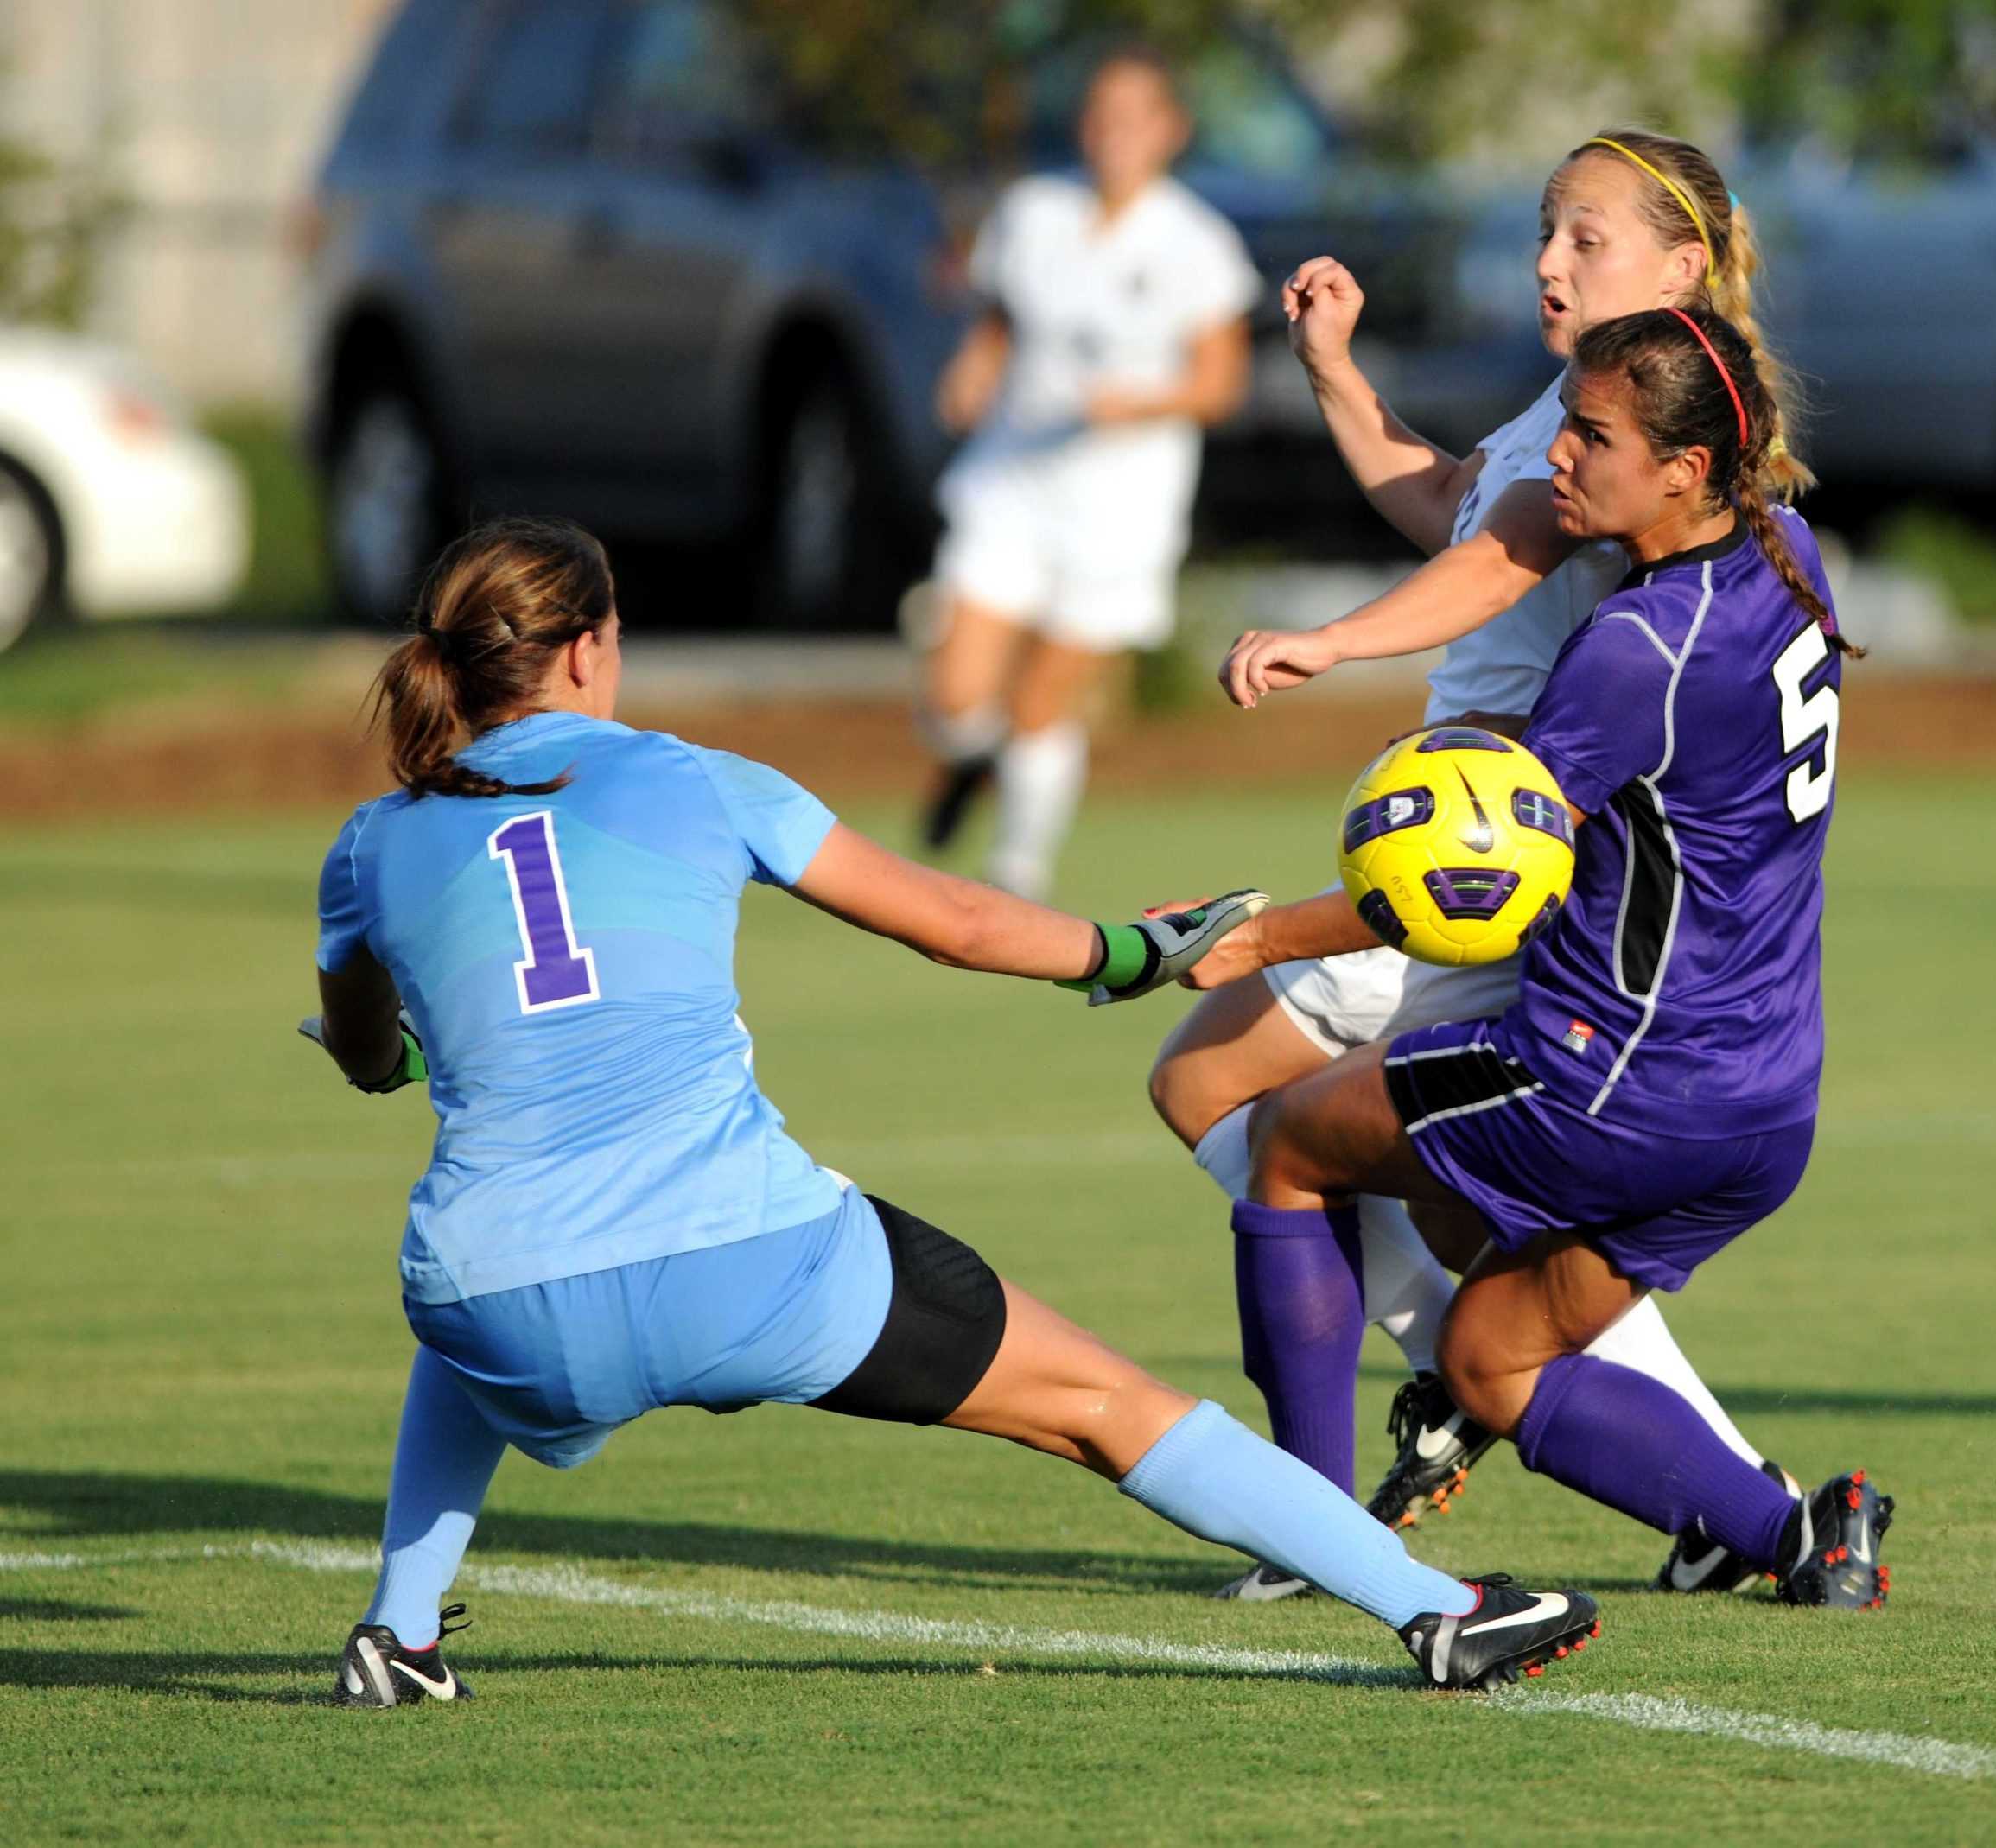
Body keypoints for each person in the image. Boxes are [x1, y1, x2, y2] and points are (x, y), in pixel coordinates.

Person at [302, 515, 1600, 1708]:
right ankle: (1442, 1610)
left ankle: (398, 1633)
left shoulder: (368, 842)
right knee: (1106, 1402)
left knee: (485, 1280)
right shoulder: (697, 778)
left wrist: (402, 1058)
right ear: (588, 647)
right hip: (748, 1264)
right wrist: (1135, 952)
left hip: (495, 1293)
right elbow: (963, 922)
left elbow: (369, 1053)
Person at [1147, 130, 1811, 1598]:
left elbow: (1495, 558)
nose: (1548, 262)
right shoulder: (1591, 416)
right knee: (1462, 1223)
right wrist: (1337, 375)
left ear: (1682, 268)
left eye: (1586, 238)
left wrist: (1330, 638)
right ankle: (1716, 1490)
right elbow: (1455, 498)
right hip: (1500, 855)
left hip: (1486, 863)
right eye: (1543, 233)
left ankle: (1333, 1509)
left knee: (1233, 1101)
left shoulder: (1618, 450)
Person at [915, 46, 1259, 898]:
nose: (1114, 133)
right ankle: (972, 761)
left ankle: (1015, 872)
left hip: (1122, 506)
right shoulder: (1032, 211)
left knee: (1041, 701)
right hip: (1013, 478)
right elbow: (999, 321)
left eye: (1135, 117)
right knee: (957, 693)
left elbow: (1221, 384)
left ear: (1169, 131)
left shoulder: (1195, 242)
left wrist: (1137, 406)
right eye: (1101, 113)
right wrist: (972, 370)